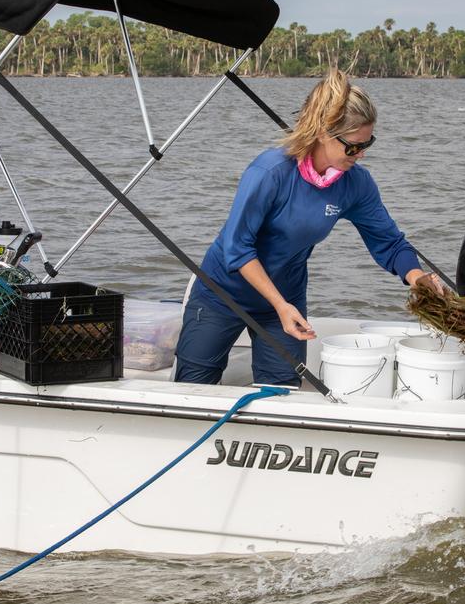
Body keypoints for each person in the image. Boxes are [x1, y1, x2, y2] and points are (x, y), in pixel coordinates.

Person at [173, 68, 443, 388]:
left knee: (282, 392)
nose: (362, 153)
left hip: (285, 296)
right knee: (193, 386)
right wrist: (279, 304)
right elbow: (237, 247)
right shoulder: (270, 172)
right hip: (222, 292)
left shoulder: (356, 184)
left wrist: (417, 277)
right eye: (353, 146)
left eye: (367, 143)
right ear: (324, 133)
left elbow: (389, 242)